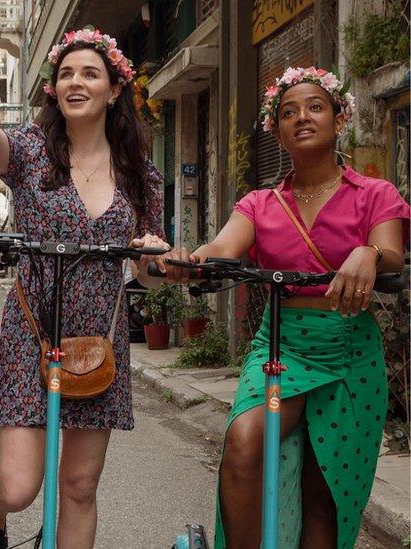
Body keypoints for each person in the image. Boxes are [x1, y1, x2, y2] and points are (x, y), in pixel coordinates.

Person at [0, 8, 169, 548]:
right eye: (66, 74)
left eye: (89, 73)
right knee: (17, 489)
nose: (75, 82)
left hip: (101, 341)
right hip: (31, 334)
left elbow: (148, 277)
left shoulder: (141, 175)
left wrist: (155, 260)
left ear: (113, 91)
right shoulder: (30, 153)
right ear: (53, 90)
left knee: (80, 486)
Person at [161, 66, 409, 548]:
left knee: (324, 489)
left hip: (350, 354)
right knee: (245, 441)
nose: (302, 117)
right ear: (277, 132)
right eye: (288, 111)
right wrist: (187, 260)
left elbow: (391, 250)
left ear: (340, 120)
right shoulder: (259, 203)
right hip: (282, 349)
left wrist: (370, 253)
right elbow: (220, 249)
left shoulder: (376, 194)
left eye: (315, 106)